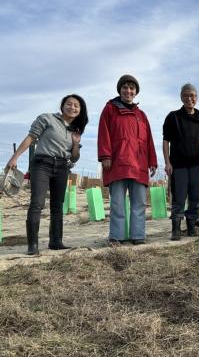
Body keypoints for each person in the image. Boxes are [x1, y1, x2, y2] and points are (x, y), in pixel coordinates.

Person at [6, 95, 87, 255]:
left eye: (76, 105)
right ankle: (32, 245)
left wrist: (76, 143)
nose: (72, 107)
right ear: (62, 106)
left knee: (57, 205)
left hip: (62, 166)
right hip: (42, 164)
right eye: (69, 104)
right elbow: (31, 137)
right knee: (37, 202)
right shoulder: (47, 118)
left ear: (80, 110)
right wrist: (15, 157)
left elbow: (74, 157)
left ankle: (56, 242)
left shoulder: (76, 129)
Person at [98, 74, 158, 245]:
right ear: (120, 90)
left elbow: (149, 140)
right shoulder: (110, 109)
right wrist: (105, 155)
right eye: (125, 87)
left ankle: (138, 236)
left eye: (132, 88)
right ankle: (116, 237)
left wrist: (152, 161)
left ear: (136, 92)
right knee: (117, 203)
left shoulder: (141, 115)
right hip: (117, 163)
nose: (128, 91)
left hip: (139, 165)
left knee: (139, 203)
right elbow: (103, 133)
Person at [163, 83, 199, 240]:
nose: (190, 98)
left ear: (197, 97)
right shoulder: (173, 117)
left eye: (192, 95)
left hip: (198, 165)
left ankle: (191, 228)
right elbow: (165, 141)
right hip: (179, 165)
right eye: (186, 95)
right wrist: (167, 162)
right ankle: (175, 229)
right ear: (181, 97)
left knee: (196, 198)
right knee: (179, 198)